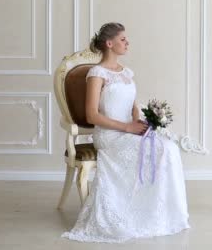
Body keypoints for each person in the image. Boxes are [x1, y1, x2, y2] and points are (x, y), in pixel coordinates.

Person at [62, 22, 190, 242]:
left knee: (168, 148)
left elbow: (131, 106)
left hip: (128, 130)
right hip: (110, 136)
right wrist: (127, 128)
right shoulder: (96, 74)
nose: (127, 42)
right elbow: (92, 116)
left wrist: (142, 120)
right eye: (123, 39)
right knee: (160, 151)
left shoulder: (126, 72)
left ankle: (158, 213)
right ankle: (132, 215)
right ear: (109, 44)